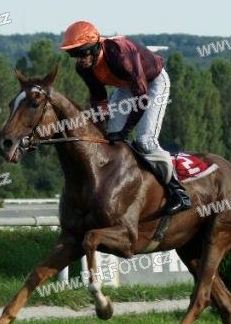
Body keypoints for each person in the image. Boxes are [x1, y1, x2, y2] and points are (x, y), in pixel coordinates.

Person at [59, 21, 191, 215]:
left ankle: (178, 192)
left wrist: (125, 130)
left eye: (82, 53)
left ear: (94, 47)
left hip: (153, 83)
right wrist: (101, 123)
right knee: (108, 136)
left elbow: (142, 97)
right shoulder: (83, 68)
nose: (80, 59)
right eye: (74, 54)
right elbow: (98, 96)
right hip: (126, 86)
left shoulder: (118, 55)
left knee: (145, 141)